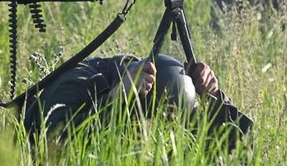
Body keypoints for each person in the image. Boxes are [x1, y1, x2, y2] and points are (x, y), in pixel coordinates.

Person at [22, 53, 220, 144]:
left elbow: (235, 148)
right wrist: (116, 101)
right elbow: (53, 143)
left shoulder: (166, 96)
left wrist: (215, 96)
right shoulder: (79, 84)